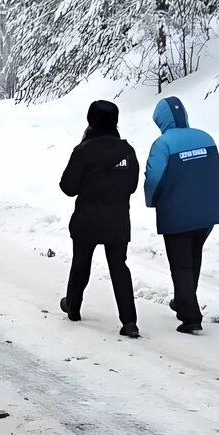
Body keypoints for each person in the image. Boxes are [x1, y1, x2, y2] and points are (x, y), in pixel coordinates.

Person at [143, 96, 219, 334]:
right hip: (207, 213)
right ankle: (184, 300)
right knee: (193, 258)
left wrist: (151, 201)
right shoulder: (206, 138)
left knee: (180, 265)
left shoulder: (163, 144)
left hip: (177, 213)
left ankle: (191, 316)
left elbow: (154, 179)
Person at [58, 101, 141, 338]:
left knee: (81, 263)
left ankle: (73, 307)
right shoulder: (127, 151)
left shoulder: (83, 151)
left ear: (90, 121)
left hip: (87, 220)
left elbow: (68, 187)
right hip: (117, 220)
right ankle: (129, 321)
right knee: (119, 268)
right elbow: (133, 185)